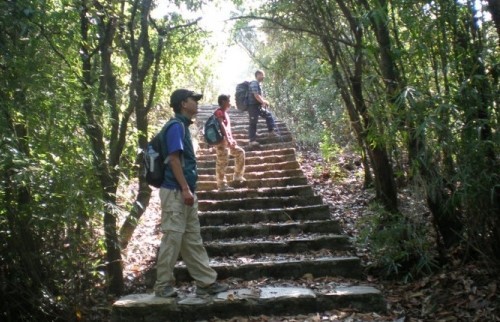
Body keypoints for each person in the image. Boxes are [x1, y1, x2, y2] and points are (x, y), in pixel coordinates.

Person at [154, 88, 228, 298]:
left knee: (192, 239)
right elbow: (174, 159)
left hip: (185, 193)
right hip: (176, 192)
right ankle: (162, 286)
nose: (196, 103)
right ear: (182, 104)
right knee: (172, 239)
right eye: (192, 100)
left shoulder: (183, 127)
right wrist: (185, 189)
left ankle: (205, 282)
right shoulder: (176, 126)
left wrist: (189, 191)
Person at [214, 94, 246, 191]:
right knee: (222, 162)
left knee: (240, 152)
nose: (230, 103)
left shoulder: (225, 113)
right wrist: (228, 140)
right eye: (228, 101)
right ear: (223, 102)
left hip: (227, 141)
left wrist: (231, 140)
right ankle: (221, 184)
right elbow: (222, 125)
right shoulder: (219, 112)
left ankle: (237, 175)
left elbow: (227, 129)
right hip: (221, 142)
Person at [247, 69, 277, 147]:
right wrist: (263, 102)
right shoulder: (254, 83)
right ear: (257, 75)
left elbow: (258, 96)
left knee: (268, 114)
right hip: (252, 106)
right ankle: (252, 141)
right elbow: (256, 95)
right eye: (262, 75)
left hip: (257, 106)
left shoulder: (258, 84)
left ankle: (271, 132)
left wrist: (263, 102)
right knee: (253, 122)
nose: (263, 76)